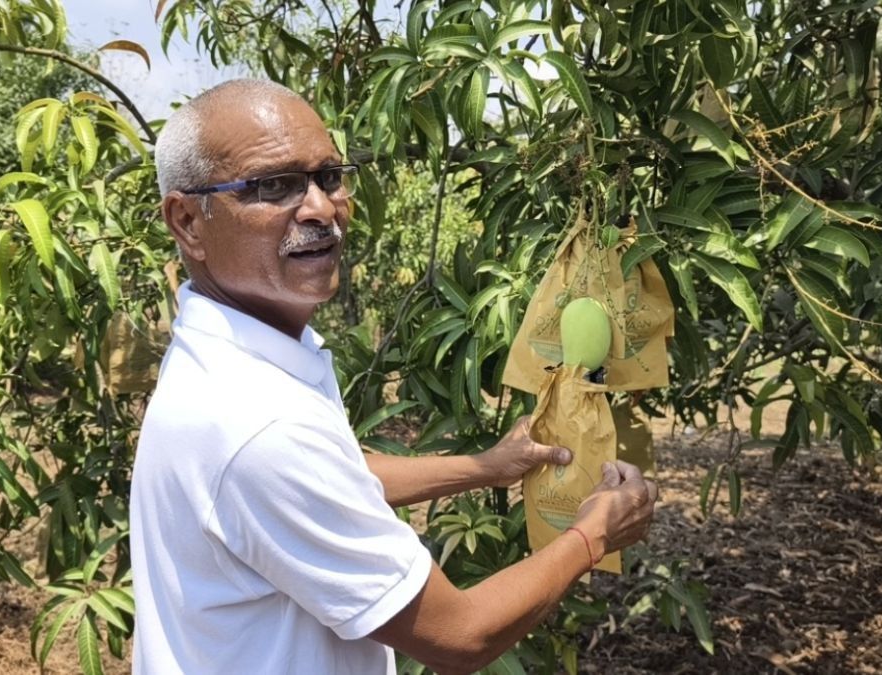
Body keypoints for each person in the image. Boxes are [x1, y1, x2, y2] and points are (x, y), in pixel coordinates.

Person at [130, 79, 659, 675]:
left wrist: (485, 467)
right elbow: (460, 636)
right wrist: (595, 534)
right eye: (273, 186)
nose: (320, 208)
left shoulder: (240, 355)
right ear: (188, 222)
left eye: (329, 177)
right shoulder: (258, 424)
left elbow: (335, 475)